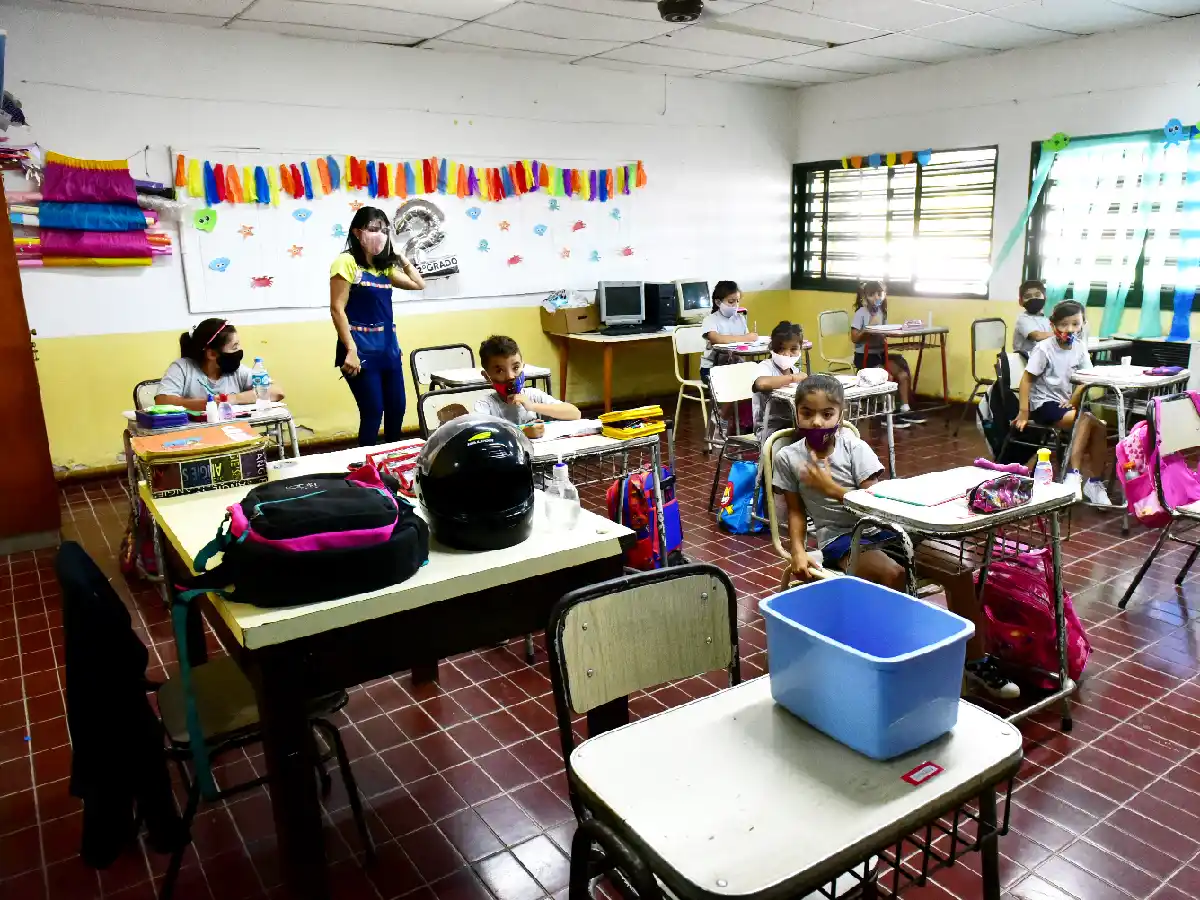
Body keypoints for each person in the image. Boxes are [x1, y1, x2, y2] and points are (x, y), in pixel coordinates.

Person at [773, 374, 1020, 699]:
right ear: (796, 413)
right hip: (843, 540)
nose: (816, 422)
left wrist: (830, 488)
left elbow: (878, 502)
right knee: (893, 574)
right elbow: (794, 513)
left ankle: (975, 662)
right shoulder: (789, 457)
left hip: (887, 528)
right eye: (807, 413)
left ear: (841, 415)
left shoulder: (854, 447)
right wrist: (798, 552)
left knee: (958, 570)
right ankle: (893, 662)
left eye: (826, 414)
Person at [330, 206, 425, 446]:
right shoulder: (346, 262)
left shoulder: (384, 267)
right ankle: (365, 464)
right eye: (373, 229)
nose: (380, 235)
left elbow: (418, 284)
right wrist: (350, 350)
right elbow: (337, 309)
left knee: (397, 408)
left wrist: (401, 257)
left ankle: (393, 459)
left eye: (384, 230)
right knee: (373, 411)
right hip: (359, 352)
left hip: (388, 351)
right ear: (357, 232)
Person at [1014, 300, 1112, 504]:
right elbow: (1026, 380)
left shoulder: (1080, 347)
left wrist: (1074, 398)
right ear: (1053, 325)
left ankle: (1094, 483)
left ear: (1083, 324)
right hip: (1044, 404)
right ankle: (1073, 476)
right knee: (1085, 419)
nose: (1070, 329)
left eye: (1075, 324)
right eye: (1064, 324)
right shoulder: (1044, 348)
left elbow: (1087, 378)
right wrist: (1024, 411)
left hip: (1068, 404)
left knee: (1100, 427)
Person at [155, 318, 284, 411]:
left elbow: (277, 392)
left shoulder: (236, 371)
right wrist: (208, 404)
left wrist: (231, 399)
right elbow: (162, 401)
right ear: (211, 354)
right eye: (234, 347)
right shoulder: (183, 368)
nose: (239, 351)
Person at [473, 335, 580, 439]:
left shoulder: (533, 396)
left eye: (515, 367)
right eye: (500, 370)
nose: (510, 376)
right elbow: (478, 435)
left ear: (523, 366)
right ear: (487, 376)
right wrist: (522, 433)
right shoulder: (485, 405)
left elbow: (575, 413)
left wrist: (532, 406)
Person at [849, 281, 923, 427]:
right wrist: (868, 329)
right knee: (888, 377)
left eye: (879, 294)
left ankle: (905, 410)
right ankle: (885, 414)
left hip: (880, 355)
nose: (876, 297)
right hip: (865, 358)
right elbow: (854, 338)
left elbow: (883, 332)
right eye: (872, 295)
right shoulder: (861, 313)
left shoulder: (882, 312)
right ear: (865, 297)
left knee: (902, 375)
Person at [752, 321, 805, 447]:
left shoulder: (795, 370)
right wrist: (792, 378)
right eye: (781, 349)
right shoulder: (765, 367)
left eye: (793, 349)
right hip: (768, 428)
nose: (787, 354)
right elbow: (761, 383)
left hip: (792, 424)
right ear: (773, 348)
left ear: (800, 349)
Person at [700, 280, 756, 384]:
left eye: (737, 301)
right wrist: (746, 338)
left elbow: (746, 345)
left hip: (736, 366)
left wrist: (750, 341)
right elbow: (716, 339)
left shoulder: (740, 319)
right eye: (731, 302)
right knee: (732, 383)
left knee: (754, 378)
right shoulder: (710, 320)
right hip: (713, 368)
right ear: (718, 302)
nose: (735, 305)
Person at [1013, 279, 1052, 357]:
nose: (1033, 299)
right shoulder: (1022, 319)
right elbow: (1037, 336)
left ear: (1045, 298)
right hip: (1023, 360)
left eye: (1037, 295)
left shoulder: (1047, 319)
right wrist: (1059, 334)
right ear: (1020, 302)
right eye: (1028, 296)